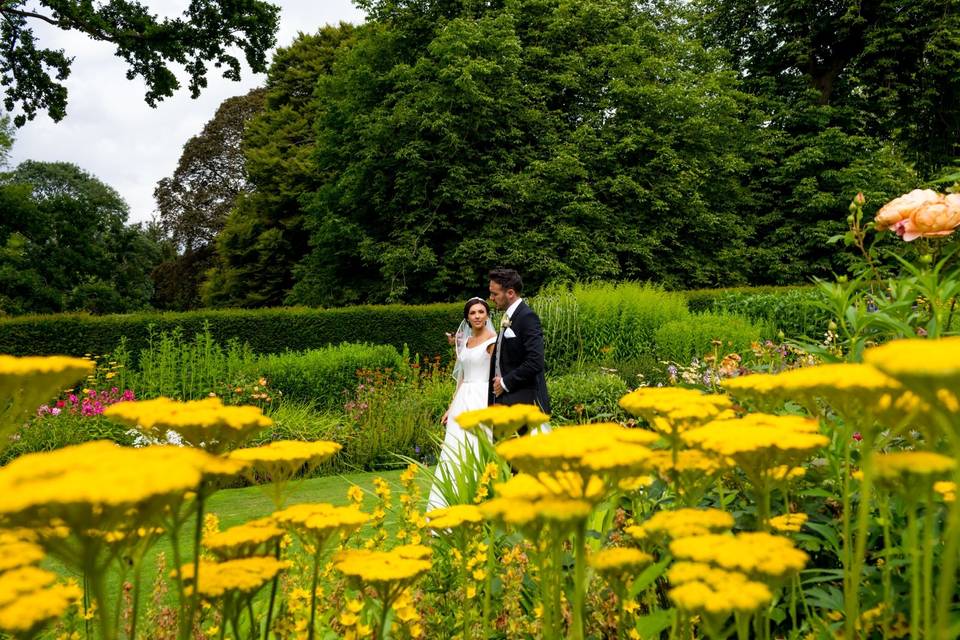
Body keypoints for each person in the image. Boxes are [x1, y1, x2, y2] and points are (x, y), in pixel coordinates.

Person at [426, 296, 497, 511]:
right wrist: (451, 406)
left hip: (481, 397)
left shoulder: (493, 340)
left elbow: (498, 371)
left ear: (487, 315)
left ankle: (479, 499)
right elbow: (461, 378)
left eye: (481, 312)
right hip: (463, 397)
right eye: (473, 313)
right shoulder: (465, 343)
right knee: (454, 448)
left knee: (477, 446)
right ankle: (447, 501)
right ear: (467, 317)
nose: (477, 316)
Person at [488, 268, 551, 434]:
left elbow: (535, 361)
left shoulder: (527, 317)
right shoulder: (509, 316)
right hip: (507, 403)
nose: (491, 298)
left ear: (510, 293)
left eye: (494, 294)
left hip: (524, 403)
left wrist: (505, 382)